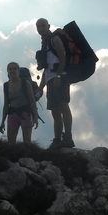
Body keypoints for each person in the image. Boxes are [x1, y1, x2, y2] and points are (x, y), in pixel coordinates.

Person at [35, 18, 74, 149]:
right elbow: (46, 69)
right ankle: (57, 140)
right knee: (55, 111)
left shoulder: (54, 39)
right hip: (51, 79)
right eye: (38, 27)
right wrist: (40, 88)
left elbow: (62, 58)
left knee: (63, 105)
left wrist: (58, 75)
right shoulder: (45, 44)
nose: (41, 28)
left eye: (43, 25)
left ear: (48, 26)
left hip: (60, 77)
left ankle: (68, 137)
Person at [0, 62, 39, 144]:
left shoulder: (25, 83)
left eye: (14, 69)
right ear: (7, 71)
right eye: (10, 69)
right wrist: (2, 121)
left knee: (27, 141)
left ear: (18, 71)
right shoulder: (6, 85)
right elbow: (6, 104)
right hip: (12, 114)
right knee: (11, 141)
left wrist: (35, 115)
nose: (12, 71)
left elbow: (32, 100)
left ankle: (27, 156)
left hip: (26, 114)